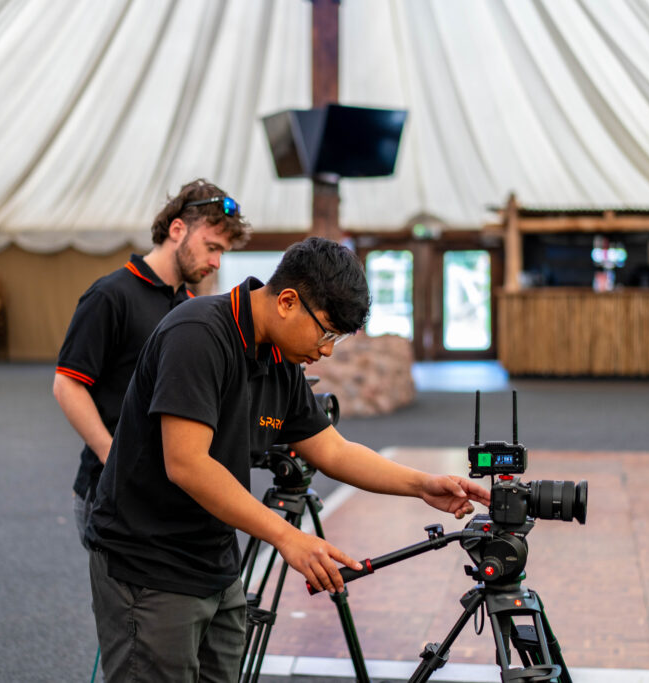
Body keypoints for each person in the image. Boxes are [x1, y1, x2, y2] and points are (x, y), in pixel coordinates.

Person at [85, 237, 491, 682]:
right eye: (327, 331)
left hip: (214, 561)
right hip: (148, 566)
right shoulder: (198, 334)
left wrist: (421, 484)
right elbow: (187, 463)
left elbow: (332, 449)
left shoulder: (280, 358)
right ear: (287, 301)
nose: (328, 350)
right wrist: (287, 537)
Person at [53, 179, 249, 548]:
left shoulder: (190, 305)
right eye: (211, 247)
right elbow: (67, 384)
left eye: (222, 252)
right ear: (177, 229)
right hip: (109, 491)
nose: (216, 262)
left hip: (162, 494)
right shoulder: (110, 295)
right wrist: (112, 454)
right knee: (124, 606)